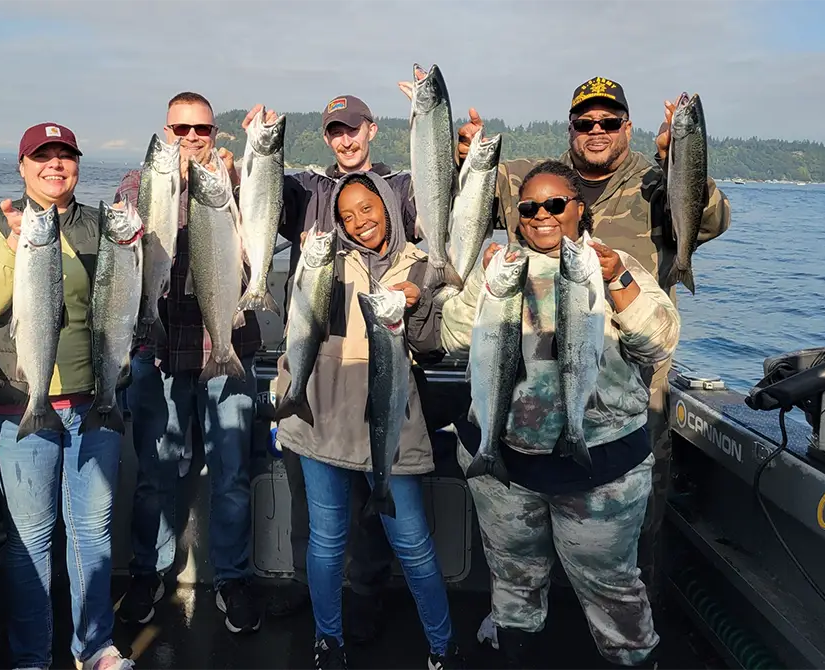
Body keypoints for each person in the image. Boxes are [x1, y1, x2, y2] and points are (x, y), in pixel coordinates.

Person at [452, 76, 731, 604]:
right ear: (572, 128)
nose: (596, 131)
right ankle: (519, 619)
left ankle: (626, 625)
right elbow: (458, 207)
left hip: (636, 394)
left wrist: (683, 163)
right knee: (518, 548)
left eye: (608, 121)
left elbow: (712, 218)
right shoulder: (528, 181)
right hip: (528, 389)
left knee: (632, 538)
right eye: (585, 122)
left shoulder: (657, 180)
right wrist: (463, 157)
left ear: (628, 126)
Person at [440, 160, 681, 669]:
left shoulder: (616, 267)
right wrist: (481, 281)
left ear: (579, 211)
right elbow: (453, 337)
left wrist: (616, 278)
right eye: (529, 207)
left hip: (602, 470)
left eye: (556, 204)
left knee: (612, 590)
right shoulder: (498, 268)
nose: (541, 215)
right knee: (512, 584)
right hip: (505, 470)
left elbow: (657, 341)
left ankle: (633, 659)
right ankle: (516, 654)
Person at [240, 95, 428, 641]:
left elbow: (445, 223)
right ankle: (307, 583)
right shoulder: (306, 187)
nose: (345, 140)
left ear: (372, 129)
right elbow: (259, 203)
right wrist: (255, 157)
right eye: (335, 132)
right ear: (327, 138)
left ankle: (365, 591)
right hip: (310, 358)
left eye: (353, 130)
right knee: (309, 493)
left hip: (373, 358)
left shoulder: (403, 187)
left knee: (370, 494)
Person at [0, 123, 133, 670]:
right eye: (43, 157)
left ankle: (95, 646)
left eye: (65, 156)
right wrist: (19, 244)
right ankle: (33, 657)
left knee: (92, 532)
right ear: (22, 165)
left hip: (93, 402)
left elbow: (129, 288)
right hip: (21, 408)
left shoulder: (102, 225)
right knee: (30, 540)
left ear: (78, 165)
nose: (55, 165)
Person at [274, 170, 462, 669]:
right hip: (322, 418)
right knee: (328, 541)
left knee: (414, 544)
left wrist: (419, 308)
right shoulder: (324, 265)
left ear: (388, 207)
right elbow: (302, 331)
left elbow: (430, 347)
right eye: (347, 215)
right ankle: (326, 640)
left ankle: (443, 647)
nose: (359, 222)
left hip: (390, 422)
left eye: (368, 209)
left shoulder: (424, 265)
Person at [115, 91, 263, 635]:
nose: (192, 138)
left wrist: (245, 169)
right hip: (160, 352)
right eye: (181, 130)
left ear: (215, 134)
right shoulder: (138, 186)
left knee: (232, 475)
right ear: (165, 131)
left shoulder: (238, 183)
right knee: (155, 473)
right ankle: (148, 572)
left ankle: (232, 578)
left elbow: (272, 221)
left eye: (202, 129)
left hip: (227, 350)